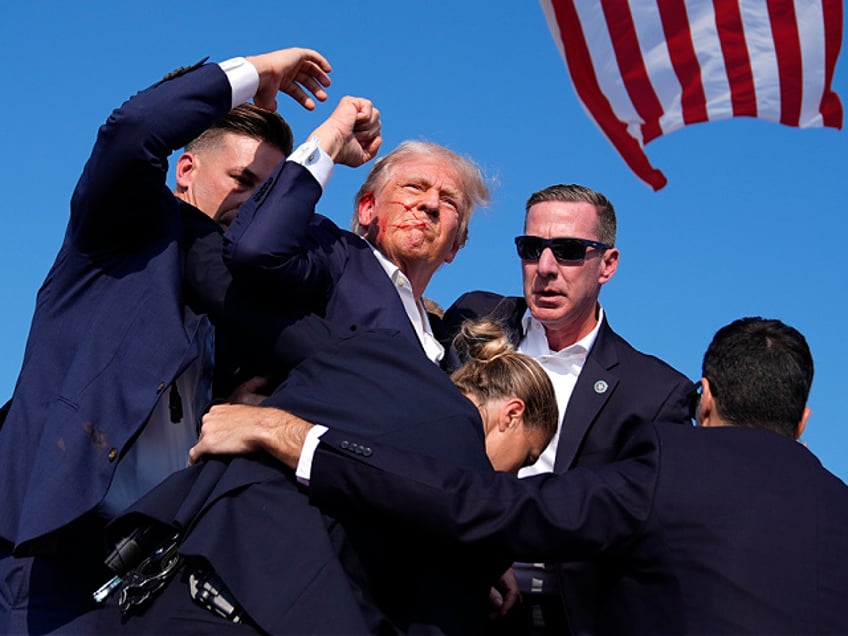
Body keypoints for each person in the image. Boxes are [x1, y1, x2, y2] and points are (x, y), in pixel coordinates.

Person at [0, 47, 376, 635]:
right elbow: (133, 129)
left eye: (265, 194)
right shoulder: (118, 233)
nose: (251, 205)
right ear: (186, 171)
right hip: (50, 557)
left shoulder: (243, 299)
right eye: (241, 181)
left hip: (154, 569)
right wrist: (260, 71)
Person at [208, 317, 848, 635]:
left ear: (703, 399)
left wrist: (296, 436)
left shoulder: (672, 466)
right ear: (804, 420)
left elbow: (482, 505)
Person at [97, 317, 557, 634]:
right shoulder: (472, 484)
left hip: (170, 582)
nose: (511, 477)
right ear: (512, 414)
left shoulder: (377, 353)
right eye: (524, 458)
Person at [442, 183, 694, 632]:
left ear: (608, 265)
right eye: (532, 248)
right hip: (441, 584)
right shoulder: (471, 318)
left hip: (558, 616)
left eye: (569, 250)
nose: (545, 267)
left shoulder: (654, 393)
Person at [223, 137, 490, 370]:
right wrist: (330, 141)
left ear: (454, 246)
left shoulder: (446, 346)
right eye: (414, 187)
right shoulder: (334, 255)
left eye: (449, 201)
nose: (431, 204)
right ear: (367, 209)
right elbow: (256, 250)